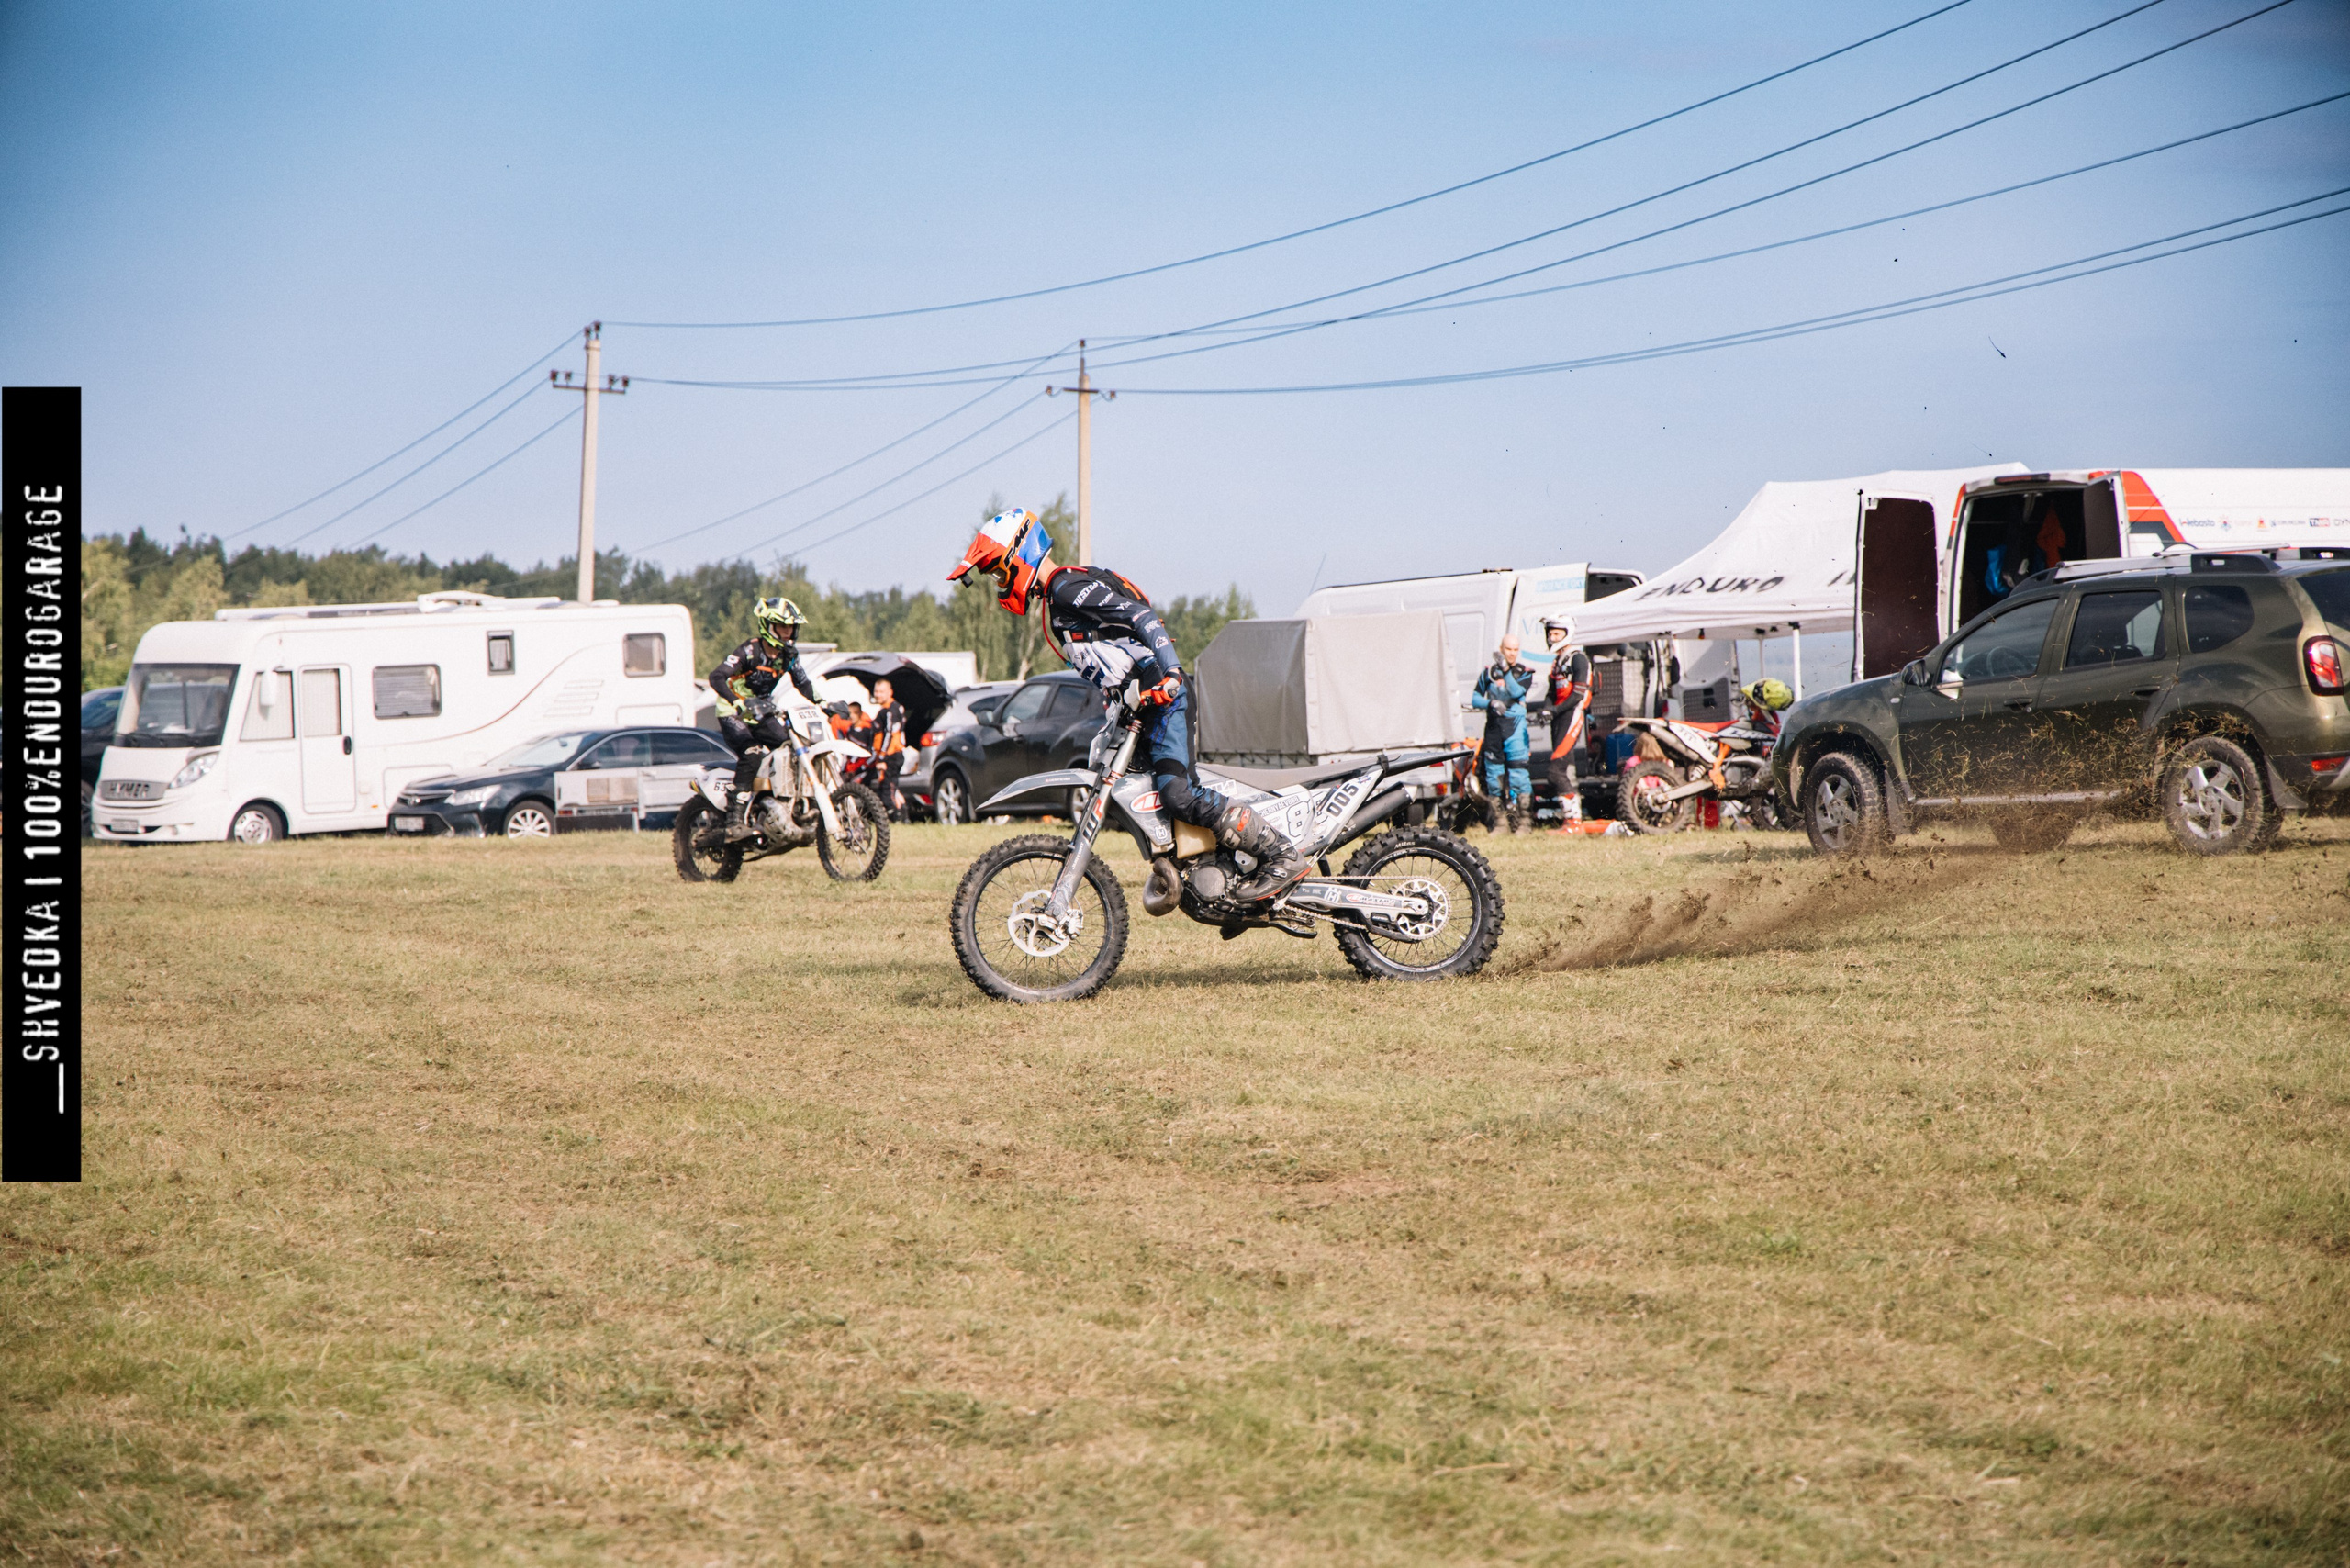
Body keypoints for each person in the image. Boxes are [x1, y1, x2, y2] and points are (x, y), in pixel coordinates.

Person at [946, 507, 1304, 902]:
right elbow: (1112, 666)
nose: (998, 581)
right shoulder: (1056, 604)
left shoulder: (1066, 588)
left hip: (1164, 694)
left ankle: (1280, 855)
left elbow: (1141, 617)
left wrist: (1169, 671)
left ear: (1020, 553)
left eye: (999, 570)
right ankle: (1216, 880)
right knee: (1140, 795)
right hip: (1142, 706)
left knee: (1178, 794)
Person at [706, 596, 822, 840]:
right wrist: (737, 701)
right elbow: (716, 676)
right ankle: (734, 821)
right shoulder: (749, 651)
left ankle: (783, 806)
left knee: (790, 750)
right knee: (753, 753)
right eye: (783, 627)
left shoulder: (789, 656)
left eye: (791, 627)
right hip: (733, 712)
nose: (788, 632)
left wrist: (823, 703)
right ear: (768, 626)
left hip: (762, 713)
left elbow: (803, 683)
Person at [1472, 634, 1536, 834]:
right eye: (1508, 649)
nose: (1512, 653)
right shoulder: (1489, 673)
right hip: (1493, 730)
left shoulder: (1524, 672)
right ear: (1501, 648)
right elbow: (1475, 698)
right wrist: (1490, 703)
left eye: (1516, 649)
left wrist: (1506, 671)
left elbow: (1517, 692)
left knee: (1518, 776)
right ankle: (1500, 823)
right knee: (1493, 777)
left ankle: (1525, 823)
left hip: (1515, 730)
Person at [1541, 616, 1595, 830]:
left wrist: (1555, 709)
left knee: (1555, 771)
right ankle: (1573, 820)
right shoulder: (1557, 662)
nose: (1552, 637)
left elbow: (1578, 695)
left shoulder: (1578, 659)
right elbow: (1551, 691)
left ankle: (1572, 821)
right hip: (1558, 717)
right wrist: (1547, 708)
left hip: (1572, 714)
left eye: (1556, 633)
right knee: (1565, 769)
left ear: (1567, 634)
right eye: (1550, 633)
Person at [867, 678, 907, 820]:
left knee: (887, 789)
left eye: (881, 692)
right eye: (876, 692)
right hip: (890, 754)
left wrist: (882, 757)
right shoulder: (885, 710)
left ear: (890, 692)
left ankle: (895, 819)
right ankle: (904, 818)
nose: (878, 695)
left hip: (891, 754)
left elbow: (890, 735)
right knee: (893, 787)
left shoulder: (891, 710)